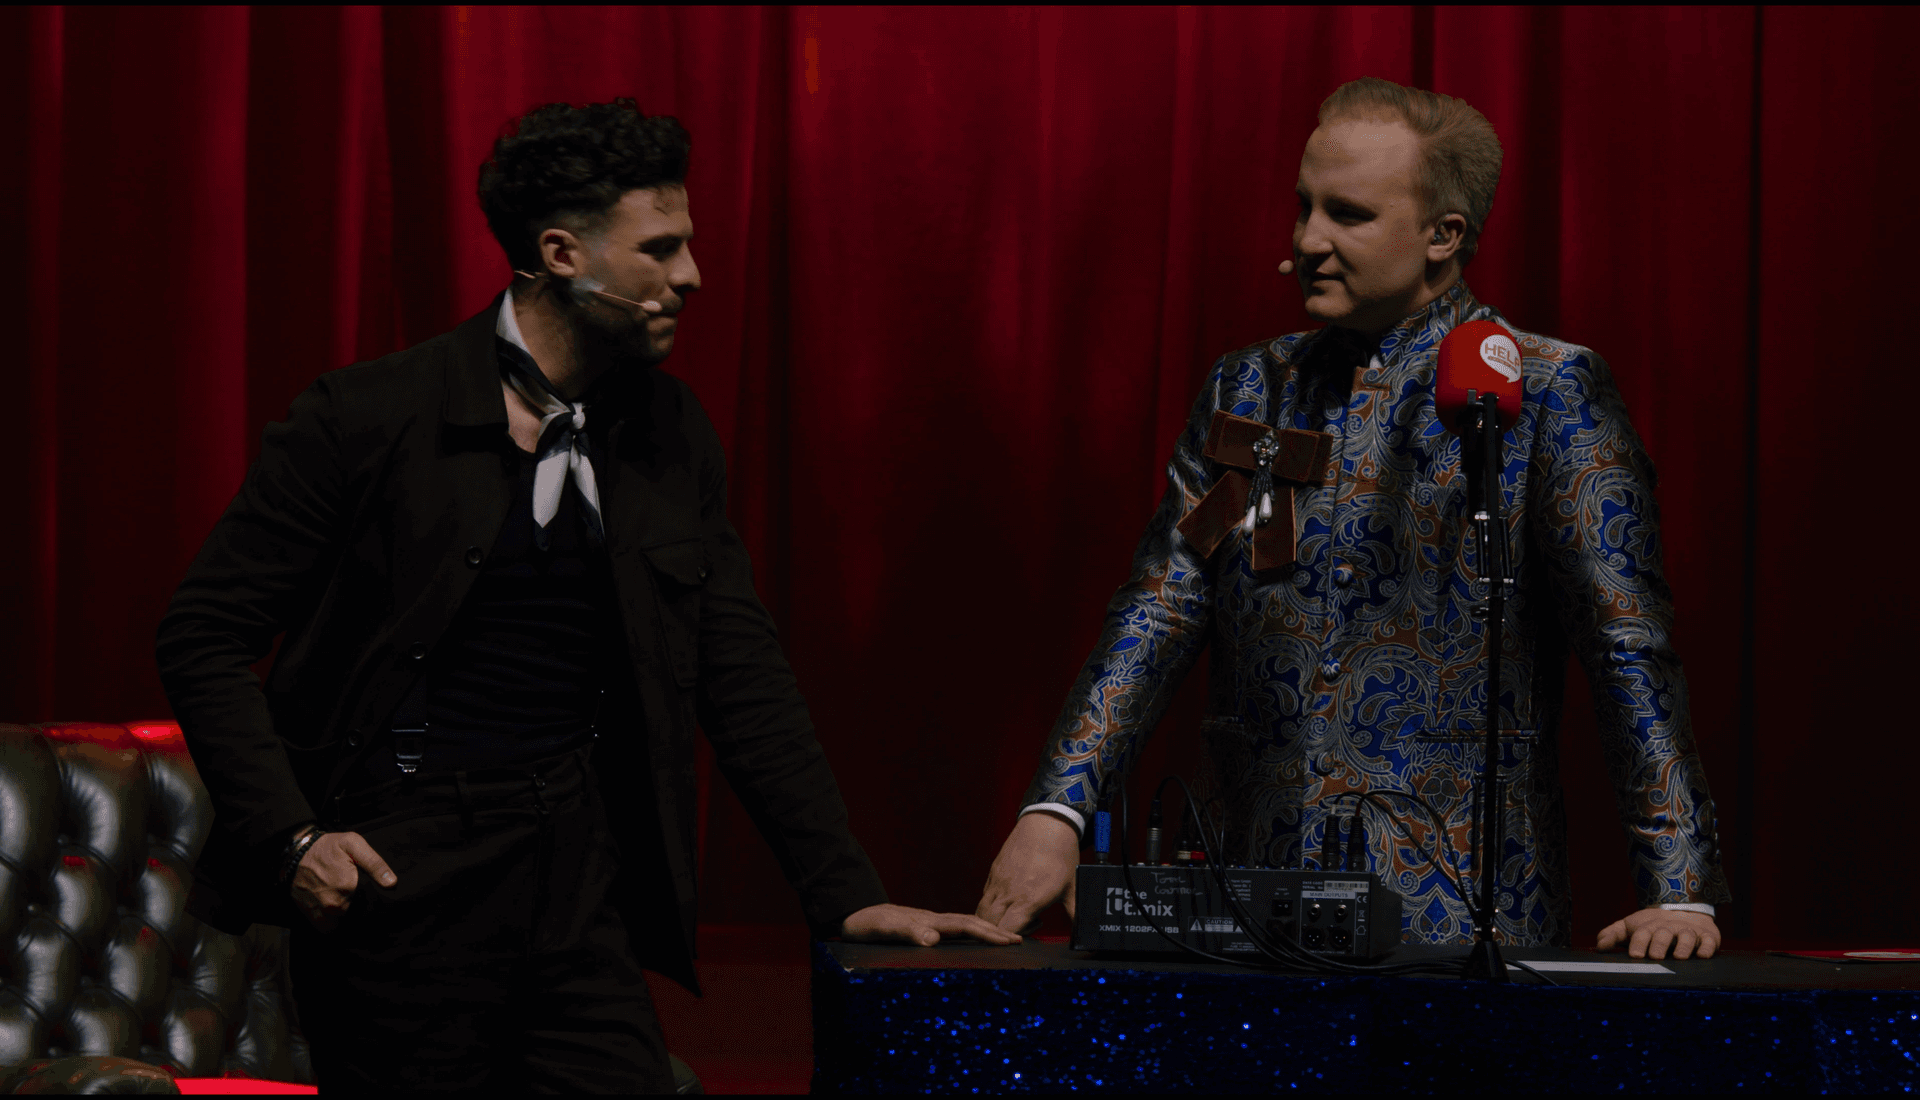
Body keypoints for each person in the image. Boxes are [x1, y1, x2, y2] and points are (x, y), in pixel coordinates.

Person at [156, 98, 1013, 1094]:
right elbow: (202, 631)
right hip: (400, 876)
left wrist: (842, 894)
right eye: (660, 250)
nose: (690, 276)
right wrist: (293, 834)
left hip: (571, 874)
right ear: (562, 253)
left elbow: (737, 669)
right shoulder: (369, 415)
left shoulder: (668, 429)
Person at [974, 77, 1730, 962]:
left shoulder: (1549, 391)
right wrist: (1058, 806)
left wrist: (1681, 885)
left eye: (1349, 215)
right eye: (1303, 208)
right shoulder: (1250, 387)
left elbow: (1625, 644)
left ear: (1444, 236)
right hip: (1247, 902)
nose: (1306, 241)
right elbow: (1161, 606)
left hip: (1459, 912)